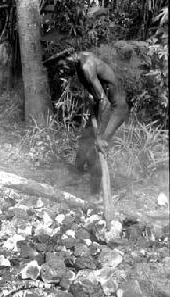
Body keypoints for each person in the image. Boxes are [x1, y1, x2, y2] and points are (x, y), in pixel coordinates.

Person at [44, 49, 129, 194]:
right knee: (85, 142)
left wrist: (100, 136)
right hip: (102, 107)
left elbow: (106, 103)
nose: (63, 69)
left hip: (115, 109)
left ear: (71, 57)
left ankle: (94, 194)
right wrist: (94, 100)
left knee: (95, 150)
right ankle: (76, 175)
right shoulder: (79, 61)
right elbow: (98, 93)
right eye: (60, 67)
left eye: (63, 64)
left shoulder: (86, 66)